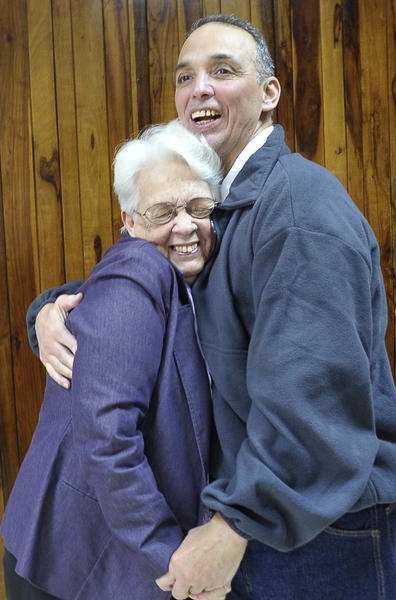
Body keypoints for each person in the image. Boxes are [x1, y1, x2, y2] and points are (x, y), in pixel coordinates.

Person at [23, 14, 396, 600]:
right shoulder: (218, 211)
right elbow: (154, 298)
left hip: (315, 532)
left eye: (223, 71)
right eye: (185, 77)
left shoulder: (297, 212)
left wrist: (230, 528)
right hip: (261, 521)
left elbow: (310, 404)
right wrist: (52, 310)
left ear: (269, 93)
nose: (199, 88)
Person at [1, 120, 232, 600]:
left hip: (93, 551)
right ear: (129, 221)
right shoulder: (139, 270)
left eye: (197, 206)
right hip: (69, 560)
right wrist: (170, 560)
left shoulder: (181, 274)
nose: (185, 224)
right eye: (163, 210)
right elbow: (109, 439)